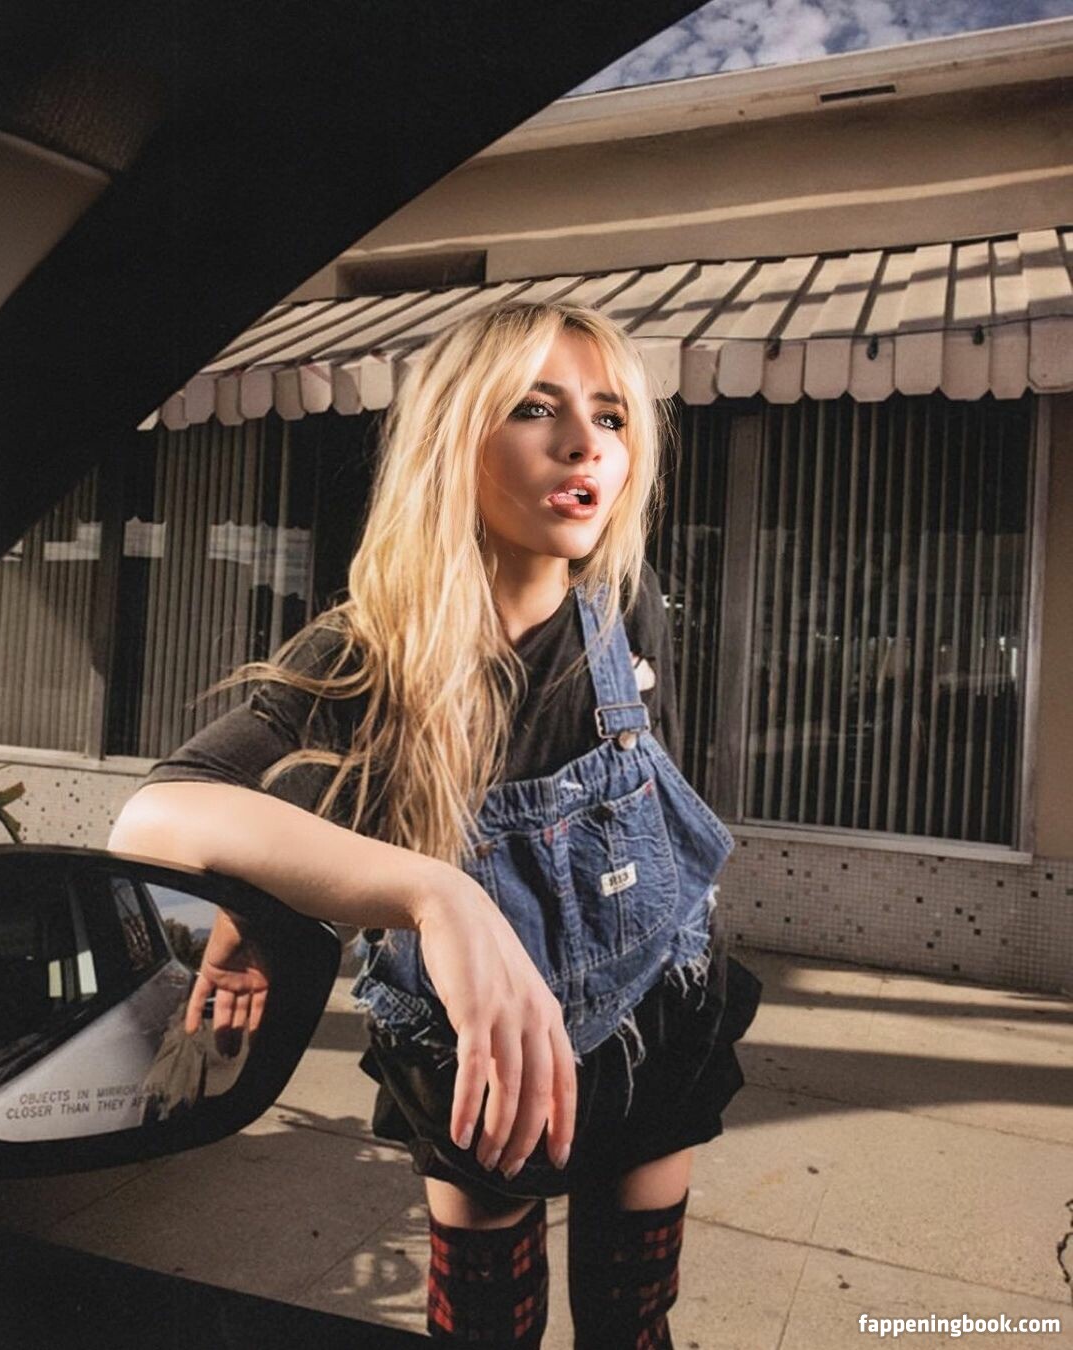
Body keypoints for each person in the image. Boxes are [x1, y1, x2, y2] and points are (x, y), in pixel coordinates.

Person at [109, 300, 761, 1348]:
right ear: (454, 439)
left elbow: (663, 794)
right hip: (477, 1054)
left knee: (635, 1323)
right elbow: (159, 813)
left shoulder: (627, 606)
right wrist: (429, 893)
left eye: (610, 416)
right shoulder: (368, 655)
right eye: (536, 408)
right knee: (487, 1328)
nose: (585, 442)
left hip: (660, 1011)